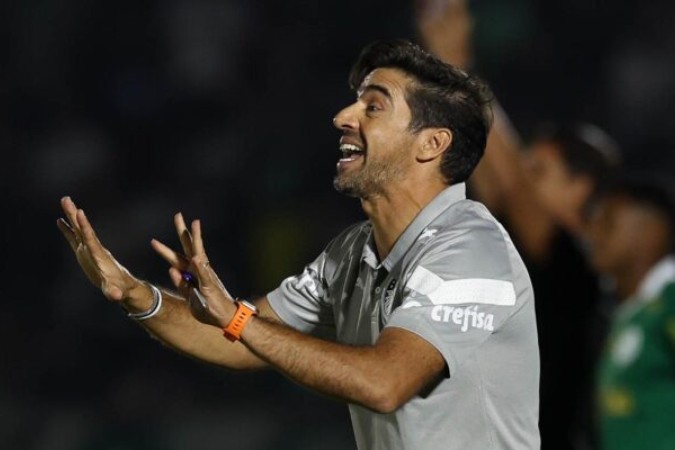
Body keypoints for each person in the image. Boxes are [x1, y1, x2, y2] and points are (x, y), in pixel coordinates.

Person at [57, 39, 540, 449]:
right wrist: (135, 293)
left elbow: (385, 382)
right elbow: (236, 341)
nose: (342, 117)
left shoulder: (473, 252)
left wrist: (237, 318)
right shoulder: (352, 252)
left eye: (373, 106)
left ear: (431, 144)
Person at [415, 2, 620, 448]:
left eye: (540, 172)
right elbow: (498, 182)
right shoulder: (544, 256)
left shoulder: (582, 264)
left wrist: (457, 70)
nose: (525, 181)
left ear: (581, 188)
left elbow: (511, 190)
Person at [586, 178, 675, 450]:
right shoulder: (631, 311)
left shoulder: (670, 298)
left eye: (609, 221)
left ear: (653, 231)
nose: (594, 233)